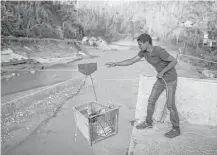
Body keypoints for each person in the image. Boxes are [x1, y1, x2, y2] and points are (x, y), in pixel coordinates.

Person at [105, 33, 180, 138]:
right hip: (160, 80)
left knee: (170, 105)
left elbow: (174, 61)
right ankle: (148, 123)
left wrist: (163, 72)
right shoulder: (143, 53)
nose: (139, 46)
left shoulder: (158, 51)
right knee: (151, 101)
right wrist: (115, 64)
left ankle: (176, 129)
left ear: (147, 42)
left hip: (170, 79)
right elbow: (131, 61)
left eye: (140, 44)